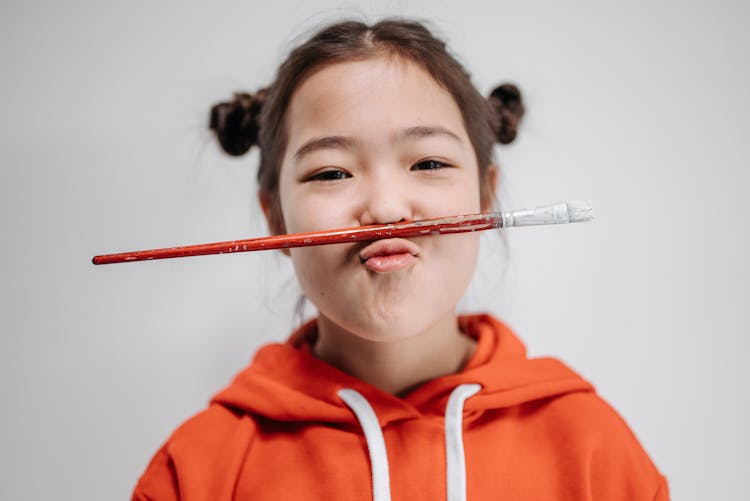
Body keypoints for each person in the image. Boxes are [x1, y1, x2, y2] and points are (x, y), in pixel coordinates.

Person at [132, 18, 668, 501]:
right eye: (331, 173)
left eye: (428, 162)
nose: (387, 208)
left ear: (486, 197)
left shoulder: (595, 451)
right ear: (276, 218)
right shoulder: (199, 471)